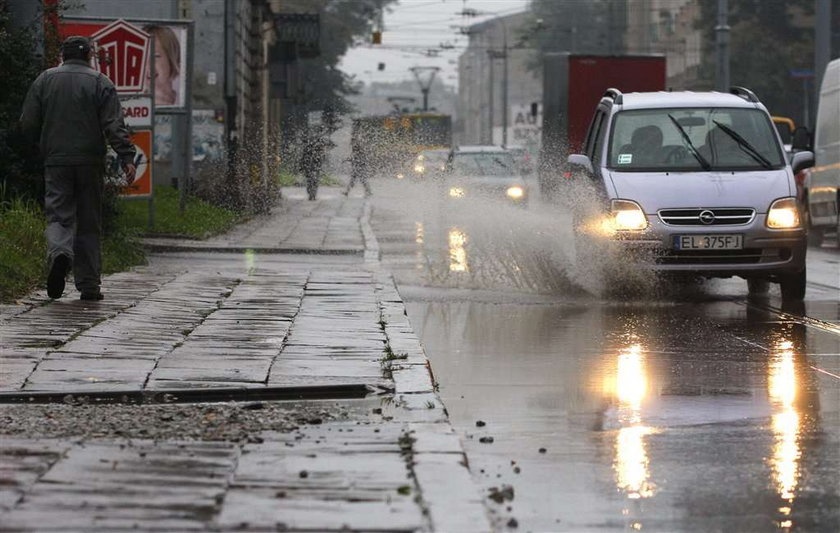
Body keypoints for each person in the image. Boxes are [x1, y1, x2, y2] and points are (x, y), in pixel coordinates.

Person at [19, 36, 136, 301]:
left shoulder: (45, 80)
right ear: (89, 56)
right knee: (88, 222)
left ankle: (60, 253)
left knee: (59, 216)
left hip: (56, 161)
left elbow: (27, 123)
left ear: (62, 55)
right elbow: (114, 125)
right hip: (89, 163)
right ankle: (89, 285)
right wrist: (126, 157)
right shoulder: (100, 82)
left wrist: (37, 148)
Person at [143, 25, 180, 106]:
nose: (147, 65)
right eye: (142, 57)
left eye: (155, 56)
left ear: (171, 58)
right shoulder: (130, 105)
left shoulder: (184, 101)